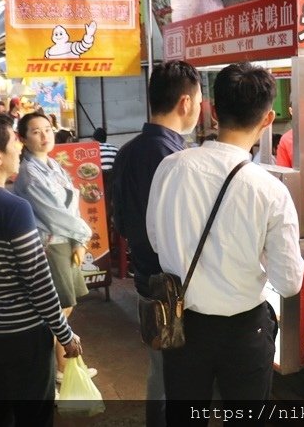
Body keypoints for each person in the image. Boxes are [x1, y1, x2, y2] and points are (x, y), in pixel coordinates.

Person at [146, 62, 304, 425]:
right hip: (245, 331)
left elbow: (156, 240)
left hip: (183, 327)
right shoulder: (270, 190)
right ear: (268, 119)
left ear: (213, 112)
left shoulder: (171, 168)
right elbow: (289, 282)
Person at [0, 113, 82, 426]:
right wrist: (65, 334)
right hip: (24, 333)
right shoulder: (13, 208)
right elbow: (38, 281)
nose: (20, 147)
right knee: (33, 413)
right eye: (14, 140)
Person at [112, 60, 202, 427]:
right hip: (175, 286)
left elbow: (120, 221)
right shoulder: (176, 159)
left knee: (159, 371)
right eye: (199, 99)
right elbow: (185, 231)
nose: (200, 107)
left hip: (145, 281)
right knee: (179, 378)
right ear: (185, 102)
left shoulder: (127, 151)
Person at [13, 112, 94, 386]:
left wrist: (79, 240)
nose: (44, 135)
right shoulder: (29, 174)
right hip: (52, 245)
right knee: (58, 308)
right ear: (23, 138)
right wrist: (84, 234)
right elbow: (54, 214)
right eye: (35, 131)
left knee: (64, 307)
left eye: (47, 129)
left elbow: (70, 205)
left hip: (67, 241)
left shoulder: (51, 165)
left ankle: (65, 364)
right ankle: (58, 367)